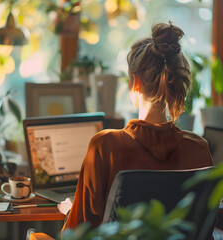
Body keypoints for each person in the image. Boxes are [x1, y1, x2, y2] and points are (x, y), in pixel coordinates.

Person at [61, 21, 214, 231]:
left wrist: (71, 212)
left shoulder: (105, 146)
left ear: (135, 82)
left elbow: (76, 233)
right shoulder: (199, 148)